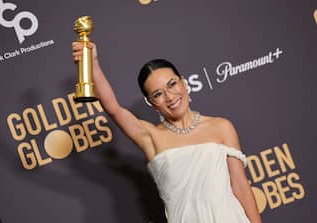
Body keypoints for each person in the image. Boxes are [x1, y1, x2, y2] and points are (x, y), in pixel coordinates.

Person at [72, 41, 263, 223]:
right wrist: (92, 62)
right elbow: (114, 109)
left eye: (172, 84)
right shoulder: (151, 137)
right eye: (158, 94)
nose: (170, 97)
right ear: (151, 104)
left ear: (184, 83)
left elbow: (241, 186)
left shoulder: (221, 127)